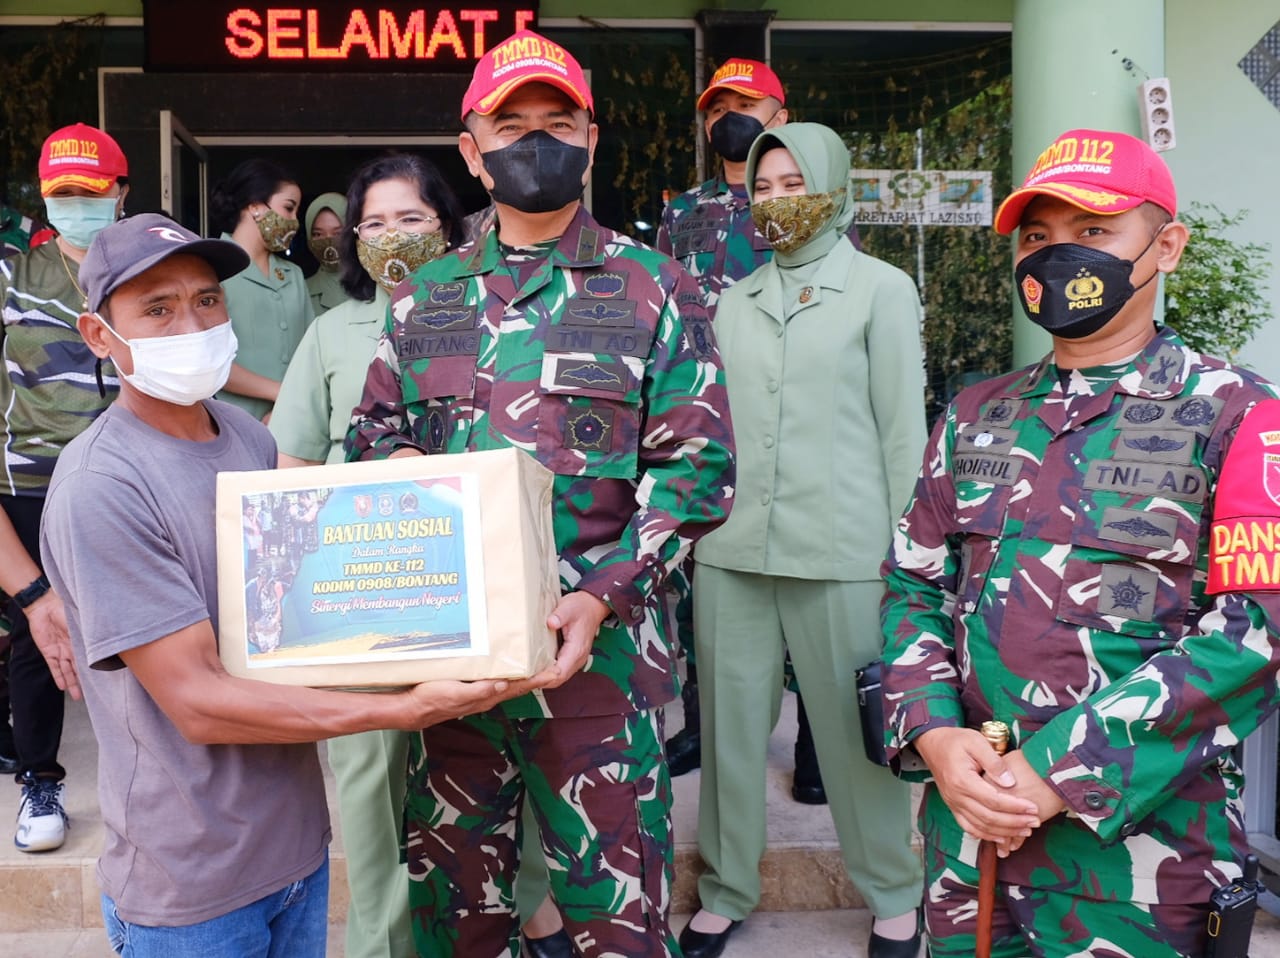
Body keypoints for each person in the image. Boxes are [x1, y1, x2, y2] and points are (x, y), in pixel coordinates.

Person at [38, 212, 547, 955]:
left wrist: (443, 498)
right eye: (157, 308)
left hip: (294, 850)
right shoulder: (103, 485)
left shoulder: (240, 434)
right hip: (195, 884)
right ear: (97, 336)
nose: (192, 324)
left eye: (207, 300)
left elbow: (330, 511)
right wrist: (403, 709)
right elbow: (199, 702)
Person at [346, 29, 736, 958]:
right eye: (508, 125)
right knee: (458, 918)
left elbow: (696, 473)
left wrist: (599, 598)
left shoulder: (656, 289)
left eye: (556, 122)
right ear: (472, 153)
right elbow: (370, 443)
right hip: (454, 680)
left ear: (591, 140)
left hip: (600, 674)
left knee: (618, 925)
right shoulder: (423, 301)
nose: (535, 141)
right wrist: (394, 481)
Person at [880, 128, 1280, 958]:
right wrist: (934, 735)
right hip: (970, 838)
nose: (1058, 257)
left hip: (1141, 861)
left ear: (1166, 246)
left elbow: (1254, 635)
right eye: (1038, 238)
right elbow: (914, 586)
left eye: (1094, 232)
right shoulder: (974, 414)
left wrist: (1057, 771)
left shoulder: (1241, 415)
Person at [679, 123, 925, 958]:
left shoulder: (882, 290)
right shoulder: (732, 301)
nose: (778, 200)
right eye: (765, 186)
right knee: (732, 734)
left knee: (861, 740)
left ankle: (893, 895)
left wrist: (909, 558)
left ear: (833, 184)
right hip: (732, 550)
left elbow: (902, 432)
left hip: (848, 550)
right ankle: (725, 888)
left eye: (794, 182)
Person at [272, 152, 465, 958]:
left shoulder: (487, 318)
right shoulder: (331, 331)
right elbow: (291, 463)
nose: (392, 233)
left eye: (411, 217)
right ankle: (380, 948)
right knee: (368, 786)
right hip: (364, 600)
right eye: (375, 221)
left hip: (466, 594)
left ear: (449, 228)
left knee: (472, 778)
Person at [655, 58, 855, 791]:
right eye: (716, 107)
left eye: (743, 102)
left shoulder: (816, 200)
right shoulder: (684, 213)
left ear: (781, 110)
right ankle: (706, 728)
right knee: (702, 580)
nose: (727, 116)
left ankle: (812, 747)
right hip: (707, 416)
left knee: (800, 576)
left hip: (793, 414)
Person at [0, 122, 128, 852]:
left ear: (120, 192)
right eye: (63, 192)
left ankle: (155, 774)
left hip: (126, 477)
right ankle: (40, 779)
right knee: (37, 631)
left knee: (147, 619)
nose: (77, 202)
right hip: (34, 479)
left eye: (91, 190)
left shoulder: (142, 272)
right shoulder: (12, 276)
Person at [210, 158, 315, 421]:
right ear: (255, 206)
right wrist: (281, 394)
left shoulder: (293, 275)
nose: (294, 221)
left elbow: (312, 354)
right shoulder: (210, 269)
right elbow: (208, 360)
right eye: (288, 208)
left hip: (293, 421)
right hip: (231, 421)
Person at [303, 191, 349, 315]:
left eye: (338, 233)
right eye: (318, 234)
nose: (328, 241)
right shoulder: (302, 292)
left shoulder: (376, 287)